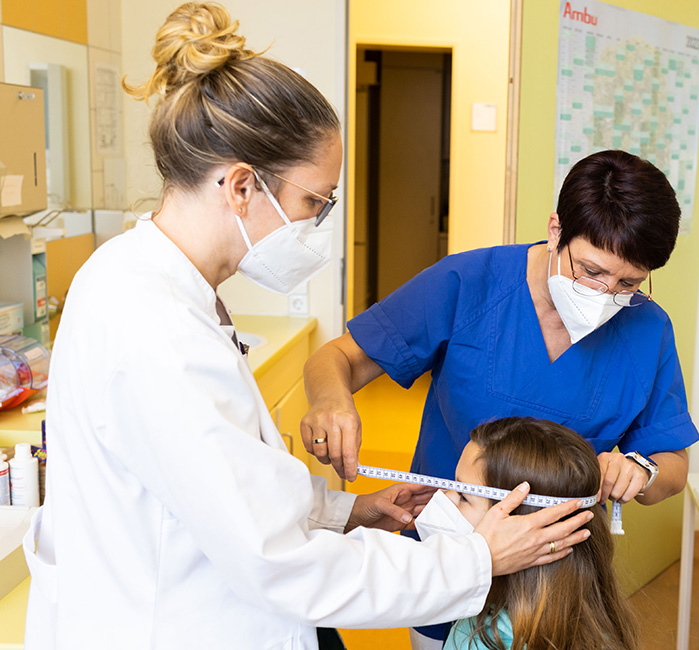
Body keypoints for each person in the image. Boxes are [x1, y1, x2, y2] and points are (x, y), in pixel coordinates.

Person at [20, 4, 592, 649]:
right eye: (313, 202)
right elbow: (275, 561)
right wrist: (477, 560)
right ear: (241, 186)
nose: (317, 225)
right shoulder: (155, 330)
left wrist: (342, 509)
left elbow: (229, 481)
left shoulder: (144, 279)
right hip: (177, 621)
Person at [302, 148, 699, 648]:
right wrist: (330, 401)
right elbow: (337, 358)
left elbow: (673, 464)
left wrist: (642, 471)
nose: (605, 295)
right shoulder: (470, 282)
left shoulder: (647, 327)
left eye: (628, 283)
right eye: (591, 271)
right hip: (451, 558)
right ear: (556, 230)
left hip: (554, 586)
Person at [441, 417, 638, 650]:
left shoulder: (477, 638)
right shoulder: (597, 625)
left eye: (464, 496)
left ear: (522, 528)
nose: (445, 497)